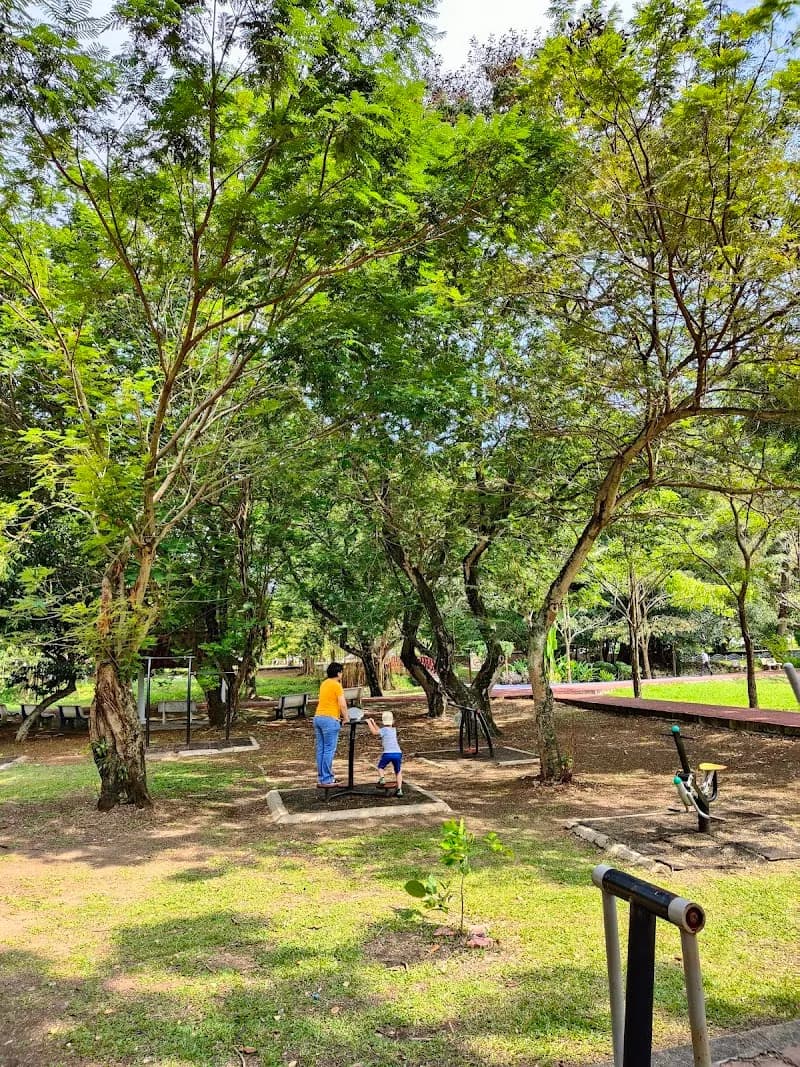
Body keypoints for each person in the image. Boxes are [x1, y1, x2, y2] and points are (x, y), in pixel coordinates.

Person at [314, 662, 348, 786]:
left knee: (321, 749)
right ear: (338, 673)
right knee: (329, 749)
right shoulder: (336, 685)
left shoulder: (324, 684)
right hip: (330, 719)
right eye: (341, 672)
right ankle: (327, 779)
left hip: (318, 717)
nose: (342, 674)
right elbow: (342, 704)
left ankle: (322, 778)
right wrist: (346, 718)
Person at [366, 710, 404, 797]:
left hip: (387, 753)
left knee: (380, 767)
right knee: (398, 771)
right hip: (398, 753)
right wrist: (373, 722)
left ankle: (382, 778)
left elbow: (375, 732)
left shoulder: (383, 730)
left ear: (383, 722)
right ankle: (399, 790)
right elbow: (379, 730)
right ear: (393, 721)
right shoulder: (393, 730)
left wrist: (369, 723)